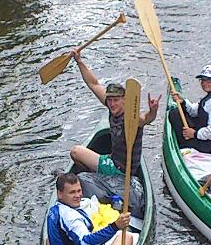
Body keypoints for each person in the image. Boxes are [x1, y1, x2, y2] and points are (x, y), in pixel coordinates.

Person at [67, 49, 161, 178]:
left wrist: (153, 110)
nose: (112, 104)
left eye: (116, 100)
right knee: (78, 153)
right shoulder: (112, 107)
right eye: (110, 100)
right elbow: (93, 84)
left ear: (124, 100)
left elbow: (147, 119)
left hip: (122, 170)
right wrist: (79, 61)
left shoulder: (132, 118)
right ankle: (97, 176)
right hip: (113, 160)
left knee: (76, 152)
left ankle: (95, 177)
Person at [46, 172, 130, 245]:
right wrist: (115, 226)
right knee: (126, 237)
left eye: (79, 191)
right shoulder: (71, 217)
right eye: (72, 192)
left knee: (48, 240)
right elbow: (86, 243)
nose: (78, 195)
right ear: (60, 194)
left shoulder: (54, 211)